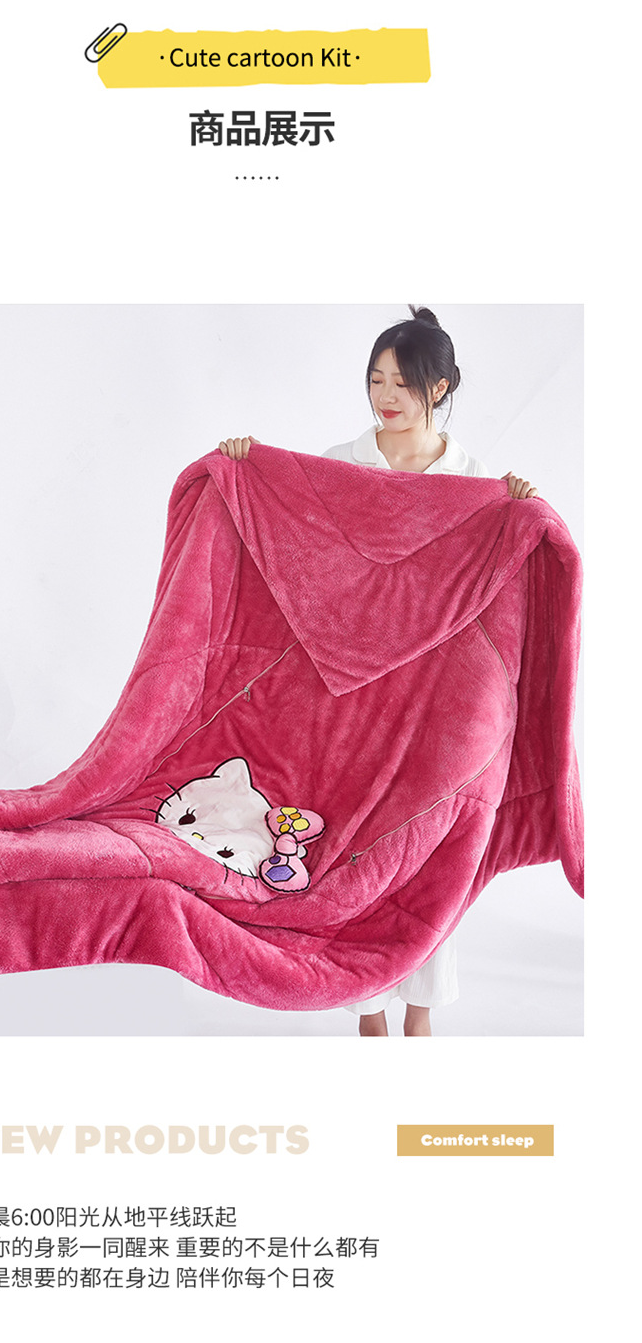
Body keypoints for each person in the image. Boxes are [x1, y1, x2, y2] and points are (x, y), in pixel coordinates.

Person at [218, 307, 537, 1037]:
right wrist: (246, 467)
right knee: (358, 846)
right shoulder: (344, 463)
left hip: (440, 700)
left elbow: (493, 586)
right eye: (376, 380)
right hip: (357, 697)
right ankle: (367, 1010)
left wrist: (518, 509)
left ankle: (420, 1014)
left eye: (403, 382)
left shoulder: (472, 478)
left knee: (432, 852)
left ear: (441, 387)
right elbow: (297, 543)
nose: (385, 396)